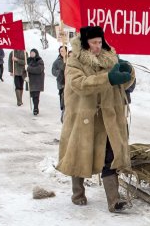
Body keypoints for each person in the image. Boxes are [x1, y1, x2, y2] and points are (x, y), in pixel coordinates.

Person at [57, 25, 135, 213]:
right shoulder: (74, 61)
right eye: (94, 42)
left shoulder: (110, 57)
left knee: (111, 155)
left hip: (108, 117)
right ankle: (78, 193)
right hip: (84, 116)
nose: (98, 46)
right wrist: (108, 78)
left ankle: (114, 200)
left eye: (100, 42)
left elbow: (123, 84)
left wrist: (128, 73)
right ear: (85, 43)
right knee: (81, 152)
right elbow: (79, 85)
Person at [25, 48, 45, 116]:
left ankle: (35, 108)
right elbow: (24, 71)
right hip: (31, 81)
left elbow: (39, 69)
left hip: (37, 81)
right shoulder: (28, 61)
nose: (32, 54)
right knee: (33, 96)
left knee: (36, 95)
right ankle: (35, 107)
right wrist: (25, 77)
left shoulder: (39, 60)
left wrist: (29, 68)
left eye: (33, 53)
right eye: (31, 53)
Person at [51, 45, 67, 121]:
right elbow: (53, 71)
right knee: (62, 100)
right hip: (61, 84)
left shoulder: (70, 59)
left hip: (69, 83)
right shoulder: (57, 61)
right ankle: (63, 114)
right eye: (61, 51)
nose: (62, 53)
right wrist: (60, 73)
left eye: (64, 51)